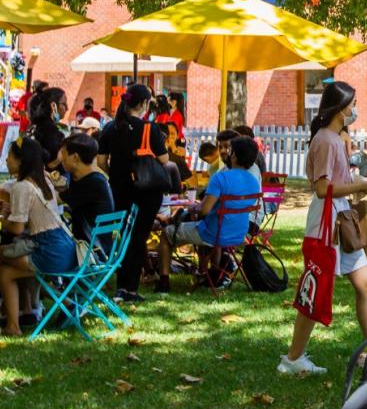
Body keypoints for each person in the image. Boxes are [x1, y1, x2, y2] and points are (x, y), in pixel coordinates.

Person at [278, 81, 367, 375]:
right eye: (352, 103)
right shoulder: (326, 139)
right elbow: (323, 188)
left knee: (366, 284)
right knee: (315, 291)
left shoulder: (334, 138)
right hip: (327, 225)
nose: (355, 109)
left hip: (340, 221)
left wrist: (359, 189)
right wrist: (360, 183)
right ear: (340, 107)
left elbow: (335, 185)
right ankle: (293, 358)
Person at [156, 136, 262, 293]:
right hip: (239, 234)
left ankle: (163, 282)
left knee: (166, 234)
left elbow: (204, 210)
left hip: (213, 234)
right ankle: (209, 273)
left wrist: (194, 209)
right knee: (204, 227)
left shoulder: (221, 177)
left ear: (234, 155)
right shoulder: (254, 181)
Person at [97, 84, 170, 303]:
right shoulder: (150, 128)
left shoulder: (110, 128)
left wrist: (117, 175)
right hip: (147, 191)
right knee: (139, 237)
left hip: (119, 189)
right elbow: (164, 160)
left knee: (122, 236)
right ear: (146, 104)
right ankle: (130, 289)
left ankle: (120, 287)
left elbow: (101, 162)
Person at [0, 137, 77, 335]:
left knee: (4, 264)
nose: (6, 161)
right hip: (65, 247)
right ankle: (21, 317)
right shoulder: (44, 181)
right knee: (8, 271)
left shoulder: (21, 187)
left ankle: (15, 322)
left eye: (8, 157)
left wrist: (3, 218)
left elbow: (16, 229)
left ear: (21, 160)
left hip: (49, 251)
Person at [59, 133, 115, 253]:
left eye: (63, 154)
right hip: (90, 245)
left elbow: (57, 199)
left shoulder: (93, 183)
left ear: (75, 157)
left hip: (90, 251)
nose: (61, 159)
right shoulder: (92, 178)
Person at [28, 86, 68, 173]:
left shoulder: (37, 124)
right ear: (53, 106)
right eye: (64, 104)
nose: (67, 108)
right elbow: (51, 161)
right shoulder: (49, 128)